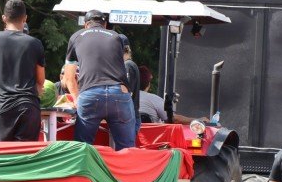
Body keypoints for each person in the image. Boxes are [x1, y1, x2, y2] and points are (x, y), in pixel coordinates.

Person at [63, 10, 135, 150]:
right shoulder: (117, 37)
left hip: (90, 92)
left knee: (83, 148)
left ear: (85, 25)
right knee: (127, 149)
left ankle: (84, 171)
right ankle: (126, 170)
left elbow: (69, 77)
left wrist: (77, 99)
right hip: (119, 93)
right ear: (105, 24)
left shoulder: (76, 37)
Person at [0, 0, 46, 142]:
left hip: (3, 105)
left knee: (1, 156)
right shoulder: (34, 43)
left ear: (4, 18)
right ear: (25, 18)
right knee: (26, 156)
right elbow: (40, 80)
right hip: (28, 105)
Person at [138, 65, 206, 124]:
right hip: (150, 138)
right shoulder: (153, 99)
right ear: (148, 84)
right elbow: (174, 119)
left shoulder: (128, 99)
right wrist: (199, 120)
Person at [119, 34, 141, 134]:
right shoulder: (128, 65)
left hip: (129, 116)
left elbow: (127, 93)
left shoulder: (128, 65)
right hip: (129, 115)